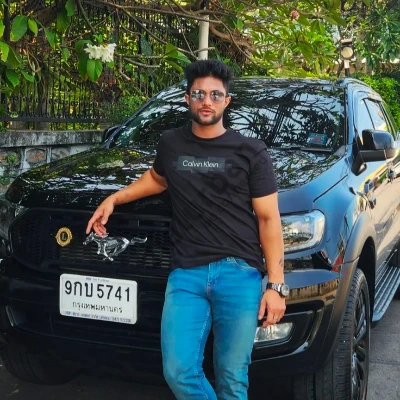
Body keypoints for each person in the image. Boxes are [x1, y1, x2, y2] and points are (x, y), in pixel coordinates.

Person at [86, 59, 286, 400]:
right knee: (179, 371)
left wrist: (276, 286)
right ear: (187, 99)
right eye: (199, 94)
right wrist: (114, 199)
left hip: (238, 274)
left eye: (215, 95)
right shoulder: (171, 143)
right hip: (186, 275)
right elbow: (156, 179)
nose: (206, 101)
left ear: (226, 101)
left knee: (232, 377)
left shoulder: (251, 151)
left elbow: (269, 219)